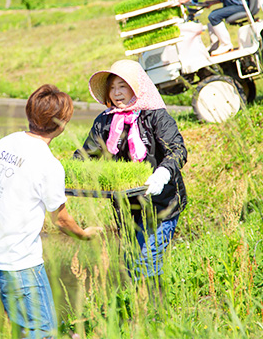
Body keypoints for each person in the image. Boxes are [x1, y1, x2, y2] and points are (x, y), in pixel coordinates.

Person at [0, 84, 102, 339]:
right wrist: (85, 234)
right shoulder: (49, 164)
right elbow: (62, 221)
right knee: (42, 332)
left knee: (21, 328)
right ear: (62, 123)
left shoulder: (4, 143)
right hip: (21, 264)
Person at [74, 59, 188, 283]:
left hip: (161, 206)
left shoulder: (155, 116)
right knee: (130, 264)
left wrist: (162, 173)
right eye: (113, 87)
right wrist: (69, 171)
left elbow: (178, 150)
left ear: (136, 88)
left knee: (146, 263)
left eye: (122, 86)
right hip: (127, 210)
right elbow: (86, 154)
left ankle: (153, 313)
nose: (116, 93)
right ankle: (139, 312)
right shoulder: (106, 121)